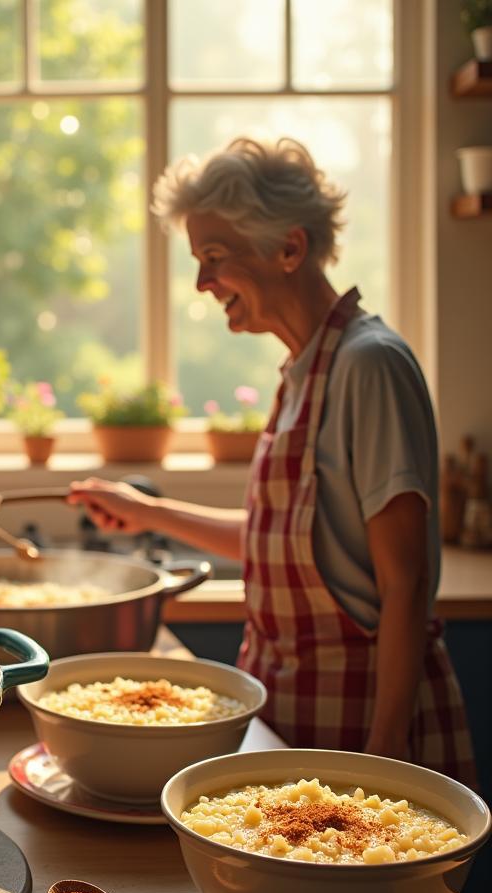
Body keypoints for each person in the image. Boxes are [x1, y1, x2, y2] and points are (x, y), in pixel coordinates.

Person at [69, 137, 477, 785]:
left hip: (363, 725)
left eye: (214, 257)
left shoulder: (369, 364)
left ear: (289, 249)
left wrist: (384, 759)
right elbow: (278, 542)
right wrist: (145, 511)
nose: (202, 283)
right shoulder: (303, 370)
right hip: (294, 717)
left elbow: (406, 581)